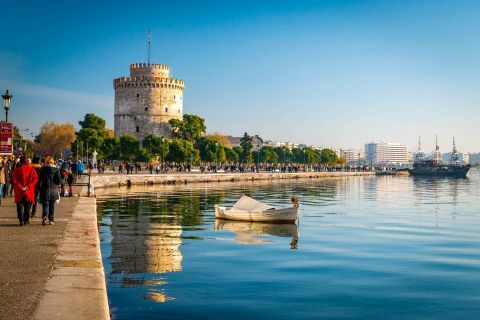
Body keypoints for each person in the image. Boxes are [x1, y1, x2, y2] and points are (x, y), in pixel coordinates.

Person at [12, 156, 38, 226]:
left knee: (20, 206)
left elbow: (14, 179)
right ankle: (26, 220)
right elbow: (35, 179)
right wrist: (28, 186)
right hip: (29, 191)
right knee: (28, 206)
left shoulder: (17, 170)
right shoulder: (32, 169)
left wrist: (20, 186)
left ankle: (21, 220)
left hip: (19, 191)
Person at [38, 156, 61, 226]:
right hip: (53, 189)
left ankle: (44, 215)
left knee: (45, 204)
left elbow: (39, 179)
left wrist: (38, 187)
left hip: (45, 188)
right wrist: (57, 183)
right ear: (52, 162)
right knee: (52, 206)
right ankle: (51, 220)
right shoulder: (56, 169)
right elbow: (59, 180)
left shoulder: (42, 169)